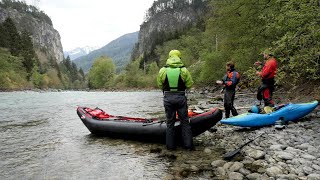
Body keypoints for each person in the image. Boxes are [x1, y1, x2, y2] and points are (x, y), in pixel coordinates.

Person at [157, 49, 194, 150]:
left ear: (169, 57)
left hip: (168, 98)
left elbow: (160, 85)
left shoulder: (163, 70)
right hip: (181, 98)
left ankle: (170, 147)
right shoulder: (184, 70)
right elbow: (190, 84)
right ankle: (188, 146)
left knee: (170, 123)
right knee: (185, 122)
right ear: (179, 57)